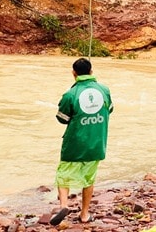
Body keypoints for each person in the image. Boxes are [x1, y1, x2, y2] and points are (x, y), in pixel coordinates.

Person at [50, 58, 113, 225]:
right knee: (89, 178)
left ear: (74, 73)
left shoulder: (70, 94)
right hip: (97, 142)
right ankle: (84, 214)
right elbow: (110, 110)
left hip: (75, 143)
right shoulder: (104, 90)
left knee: (63, 175)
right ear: (91, 72)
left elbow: (62, 119)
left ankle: (64, 205)